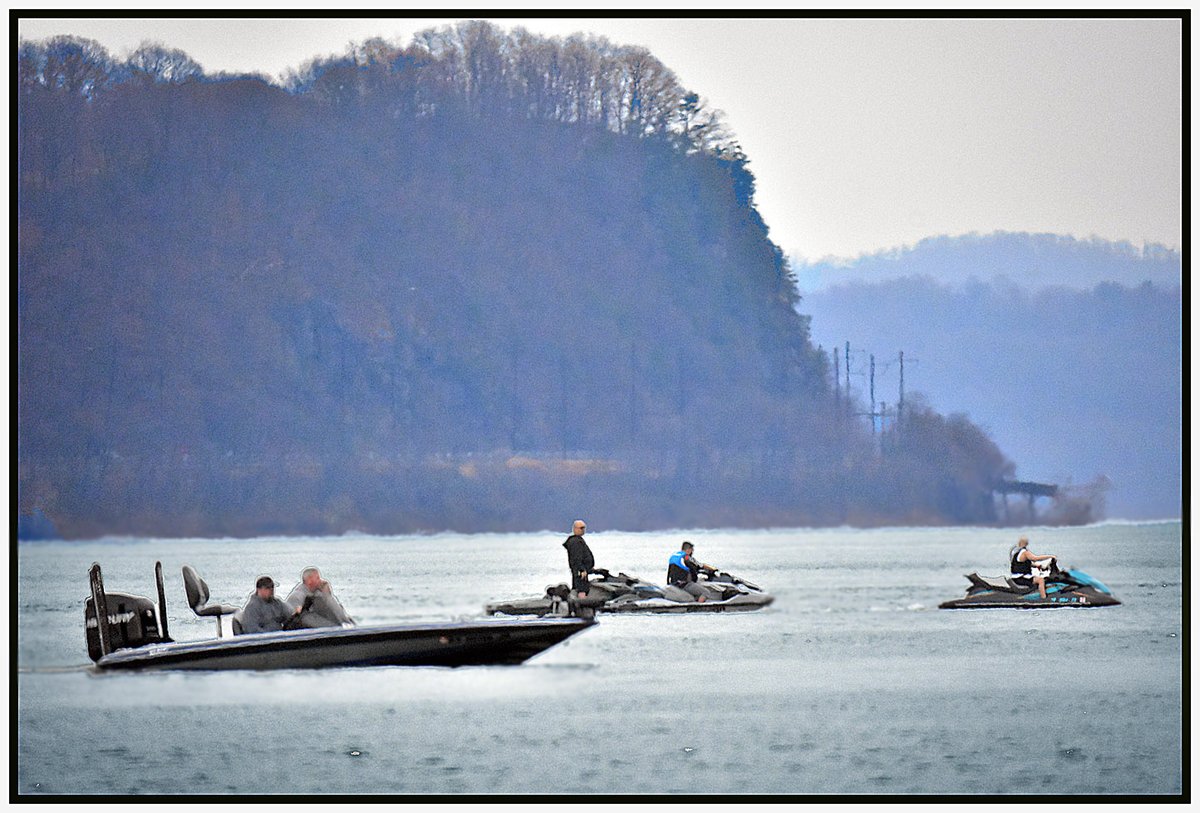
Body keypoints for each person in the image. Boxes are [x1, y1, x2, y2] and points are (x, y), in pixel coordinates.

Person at [284, 567, 355, 628]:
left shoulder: (318, 593)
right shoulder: (298, 595)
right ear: (309, 580)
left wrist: (327, 594)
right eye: (318, 578)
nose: (321, 581)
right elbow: (292, 616)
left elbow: (335, 609)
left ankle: (347, 626)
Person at [563, 519, 597, 599]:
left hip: (583, 570)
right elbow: (576, 558)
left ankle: (580, 600)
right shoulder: (575, 542)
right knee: (581, 589)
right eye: (581, 528)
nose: (583, 530)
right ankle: (580, 602)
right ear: (574, 529)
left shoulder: (578, 540)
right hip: (580, 572)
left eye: (584, 528)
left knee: (582, 587)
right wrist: (581, 569)